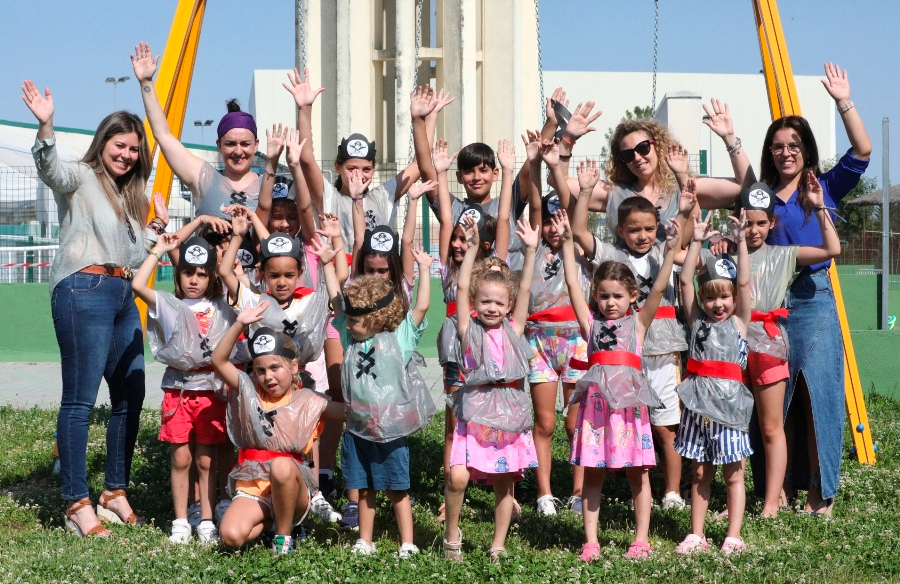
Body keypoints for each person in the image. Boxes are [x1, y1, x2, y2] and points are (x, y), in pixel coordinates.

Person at [23, 79, 165, 537]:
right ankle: (75, 502)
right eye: (119, 145)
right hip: (83, 288)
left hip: (124, 295)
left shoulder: (129, 200)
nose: (126, 155)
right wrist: (46, 125)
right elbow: (52, 171)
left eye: (133, 150)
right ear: (103, 143)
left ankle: (114, 492)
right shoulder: (82, 179)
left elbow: (137, 254)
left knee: (131, 393)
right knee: (81, 400)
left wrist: (155, 227)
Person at [757, 63, 871, 515]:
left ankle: (819, 493)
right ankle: (776, 488)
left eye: (794, 145)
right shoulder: (762, 194)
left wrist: (844, 102)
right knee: (770, 401)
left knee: (817, 393)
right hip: (769, 301)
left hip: (813, 297)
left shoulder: (822, 185)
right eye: (778, 146)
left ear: (806, 150)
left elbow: (862, 150)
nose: (786, 152)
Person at [557, 208, 680, 561]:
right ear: (596, 297)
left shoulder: (639, 325)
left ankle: (641, 539)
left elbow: (658, 286)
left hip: (628, 413)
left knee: (637, 475)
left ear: (632, 298)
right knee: (592, 476)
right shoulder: (591, 326)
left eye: (618, 296)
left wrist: (670, 250)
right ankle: (590, 541)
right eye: (604, 296)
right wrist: (567, 242)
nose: (610, 303)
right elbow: (570, 282)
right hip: (596, 412)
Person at [570, 161, 695, 509]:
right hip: (621, 361)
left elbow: (682, 237)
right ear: (620, 230)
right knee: (617, 422)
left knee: (666, 425)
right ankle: (606, 486)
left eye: (649, 228)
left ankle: (671, 492)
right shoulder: (611, 257)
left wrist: (684, 208)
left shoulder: (666, 252)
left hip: (663, 350)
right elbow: (580, 232)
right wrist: (583, 191)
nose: (643, 235)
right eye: (634, 229)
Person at [312, 236, 435, 557]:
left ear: (376, 317)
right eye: (348, 320)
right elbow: (339, 303)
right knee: (363, 488)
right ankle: (365, 540)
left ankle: (408, 543)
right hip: (357, 429)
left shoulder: (399, 341)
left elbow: (421, 307)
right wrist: (326, 263)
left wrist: (423, 269)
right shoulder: (351, 339)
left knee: (397, 490)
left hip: (389, 432)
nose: (348, 325)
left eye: (355, 320)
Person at [219, 212, 345, 525]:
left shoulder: (308, 301)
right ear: (261, 274)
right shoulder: (255, 302)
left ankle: (310, 492)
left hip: (299, 381)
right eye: (274, 275)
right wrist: (237, 235)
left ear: (300, 273)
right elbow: (224, 271)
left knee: (306, 437)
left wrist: (328, 261)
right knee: (271, 437)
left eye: (289, 275)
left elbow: (336, 297)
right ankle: (264, 496)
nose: (282, 281)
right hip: (265, 383)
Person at [739, 179, 841, 517]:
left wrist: (821, 206)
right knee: (737, 422)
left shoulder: (784, 255)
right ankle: (736, 492)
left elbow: (831, 250)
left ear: (771, 224)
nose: (753, 230)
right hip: (735, 347)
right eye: (747, 222)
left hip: (767, 345)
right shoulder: (726, 251)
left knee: (772, 422)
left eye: (760, 223)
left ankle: (774, 500)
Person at [211, 303, 347, 554]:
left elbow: (349, 412)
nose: (268, 377)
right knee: (231, 537)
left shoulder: (309, 399)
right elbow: (218, 361)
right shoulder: (249, 390)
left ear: (293, 367)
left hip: (293, 488)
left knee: (282, 465)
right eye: (261, 370)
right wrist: (239, 323)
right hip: (255, 484)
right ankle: (270, 521)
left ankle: (283, 538)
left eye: (275, 368)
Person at [442, 215, 539, 563]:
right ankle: (452, 534)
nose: (492, 308)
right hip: (475, 411)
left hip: (508, 414)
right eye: (486, 302)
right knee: (457, 477)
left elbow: (525, 288)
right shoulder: (468, 329)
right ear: (474, 305)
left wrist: (529, 251)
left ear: (509, 306)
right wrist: (469, 251)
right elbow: (463, 287)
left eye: (499, 303)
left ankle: (498, 544)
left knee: (504, 483)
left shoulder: (514, 327)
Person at [132, 233, 237, 545]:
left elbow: (240, 290)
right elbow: (138, 286)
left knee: (207, 459)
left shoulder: (221, 307)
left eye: (202, 274)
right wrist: (159, 250)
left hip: (211, 393)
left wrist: (233, 244)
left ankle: (206, 519)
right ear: (178, 275)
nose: (194, 280)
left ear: (211, 276)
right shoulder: (169, 304)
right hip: (177, 392)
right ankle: (181, 521)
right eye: (188, 273)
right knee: (181, 459)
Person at [554, 98, 750, 242]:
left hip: (670, 288)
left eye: (643, 148)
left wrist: (729, 138)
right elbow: (558, 182)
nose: (638, 158)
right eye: (628, 155)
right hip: (624, 287)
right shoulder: (614, 193)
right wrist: (568, 139)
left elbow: (746, 186)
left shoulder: (684, 187)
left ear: (658, 147)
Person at [519, 132, 591, 516]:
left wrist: (557, 164)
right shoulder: (531, 248)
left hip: (577, 341)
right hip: (538, 343)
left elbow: (572, 211)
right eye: (548, 222)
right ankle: (545, 493)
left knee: (575, 422)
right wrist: (533, 164)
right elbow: (533, 204)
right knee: (544, 421)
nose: (552, 227)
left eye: (558, 219)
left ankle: (580, 491)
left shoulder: (579, 251)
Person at [674, 212, 753, 555]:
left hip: (731, 410)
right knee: (700, 473)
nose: (717, 304)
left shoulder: (739, 323)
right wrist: (696, 241)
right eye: (711, 298)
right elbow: (685, 282)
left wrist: (743, 245)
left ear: (734, 299)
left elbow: (745, 283)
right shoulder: (696, 323)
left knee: (734, 474)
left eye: (724, 297)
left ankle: (733, 535)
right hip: (697, 410)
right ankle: (696, 534)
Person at [132, 42, 263, 218]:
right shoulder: (204, 177)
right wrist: (146, 83)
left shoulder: (271, 184)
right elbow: (163, 135)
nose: (238, 151)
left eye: (245, 144)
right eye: (230, 144)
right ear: (219, 145)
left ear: (256, 145)